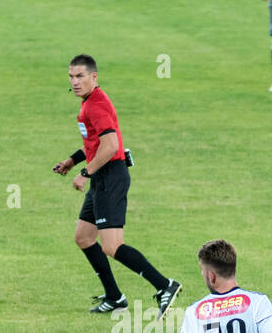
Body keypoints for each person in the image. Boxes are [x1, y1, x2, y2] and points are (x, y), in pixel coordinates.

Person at [52, 54, 182, 316]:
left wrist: (85, 173)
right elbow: (95, 142)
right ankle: (114, 296)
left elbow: (110, 147)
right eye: (71, 76)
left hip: (109, 177)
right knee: (84, 237)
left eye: (80, 76)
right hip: (102, 176)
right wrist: (72, 160)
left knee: (111, 246)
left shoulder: (95, 105)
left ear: (94, 77)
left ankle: (165, 285)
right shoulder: (89, 103)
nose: (74, 81)